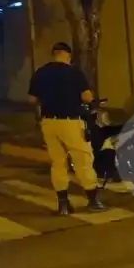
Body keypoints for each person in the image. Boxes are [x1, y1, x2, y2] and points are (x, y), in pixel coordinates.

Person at [28, 42, 105, 215]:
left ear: (54, 54)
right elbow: (86, 97)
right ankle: (93, 201)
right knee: (83, 160)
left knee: (58, 163)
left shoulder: (41, 72)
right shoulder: (74, 72)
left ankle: (63, 204)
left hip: (48, 123)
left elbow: (32, 99)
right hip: (70, 122)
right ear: (68, 55)